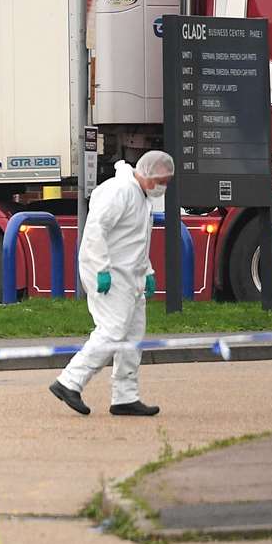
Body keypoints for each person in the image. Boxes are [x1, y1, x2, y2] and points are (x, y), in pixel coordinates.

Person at [48, 150, 173, 417]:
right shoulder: (121, 191)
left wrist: (147, 271)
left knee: (132, 335)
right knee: (113, 331)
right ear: (149, 175)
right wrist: (101, 269)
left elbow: (135, 240)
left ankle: (125, 396)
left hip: (130, 275)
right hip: (111, 274)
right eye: (163, 180)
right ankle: (69, 381)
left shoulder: (142, 197)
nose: (164, 186)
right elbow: (96, 229)